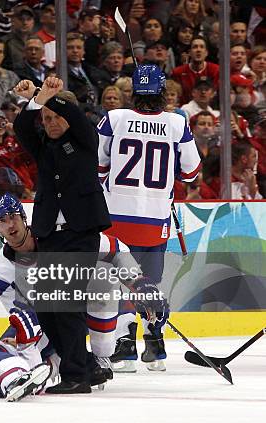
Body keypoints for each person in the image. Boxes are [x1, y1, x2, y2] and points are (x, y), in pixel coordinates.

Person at [0, 193, 169, 387]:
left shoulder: (56, 237)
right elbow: (26, 318)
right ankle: (59, 364)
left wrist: (138, 283)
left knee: (103, 274)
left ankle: (101, 357)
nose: (10, 225)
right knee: (10, 355)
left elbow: (116, 249)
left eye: (13, 216)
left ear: (23, 217)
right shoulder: (1, 274)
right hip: (45, 320)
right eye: (2, 221)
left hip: (82, 305)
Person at [97, 65, 201, 372]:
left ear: (133, 93)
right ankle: (155, 346)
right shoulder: (176, 123)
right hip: (156, 217)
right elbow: (192, 172)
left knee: (120, 281)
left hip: (116, 216)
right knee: (151, 280)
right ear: (162, 94)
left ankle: (125, 345)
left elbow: (99, 166)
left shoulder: (114, 118)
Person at [12, 76, 111, 394]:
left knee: (67, 303)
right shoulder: (44, 147)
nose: (51, 122)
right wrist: (35, 102)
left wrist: (47, 96)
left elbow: (79, 120)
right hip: (49, 236)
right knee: (46, 305)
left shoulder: (85, 140)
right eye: (47, 118)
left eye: (57, 116)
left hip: (80, 234)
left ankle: (75, 376)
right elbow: (22, 129)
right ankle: (83, 364)